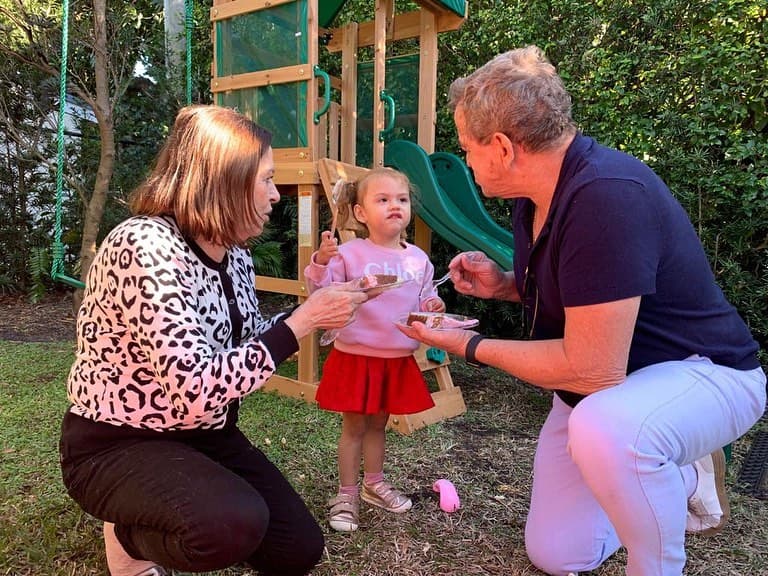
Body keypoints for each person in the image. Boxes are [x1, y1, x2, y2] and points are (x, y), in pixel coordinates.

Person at [397, 46, 767, 576]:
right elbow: (584, 301)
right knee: (558, 553)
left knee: (605, 428)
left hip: (704, 374)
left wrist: (467, 344)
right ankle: (677, 476)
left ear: (502, 147)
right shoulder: (533, 195)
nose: (468, 160)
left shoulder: (605, 196)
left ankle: (657, 554)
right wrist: (505, 286)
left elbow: (595, 368)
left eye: (467, 148)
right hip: (609, 395)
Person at [58, 104, 369, 576]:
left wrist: (319, 315)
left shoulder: (234, 252)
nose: (274, 195)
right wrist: (301, 323)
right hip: (118, 443)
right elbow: (196, 391)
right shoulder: (144, 247)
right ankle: (125, 535)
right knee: (229, 525)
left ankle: (181, 502)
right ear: (224, 180)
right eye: (265, 179)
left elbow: (247, 344)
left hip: (205, 434)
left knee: (297, 549)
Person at [304, 167, 446, 532]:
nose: (394, 206)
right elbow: (321, 294)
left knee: (379, 426)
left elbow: (426, 297)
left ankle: (373, 484)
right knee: (353, 428)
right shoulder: (349, 253)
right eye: (382, 200)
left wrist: (434, 306)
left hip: (396, 358)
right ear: (361, 212)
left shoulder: (419, 259)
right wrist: (321, 261)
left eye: (401, 199)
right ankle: (346, 493)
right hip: (356, 357)